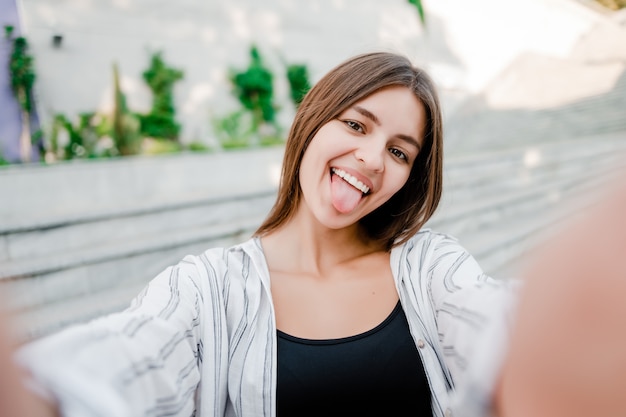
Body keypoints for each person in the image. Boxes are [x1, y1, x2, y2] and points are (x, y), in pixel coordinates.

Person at [10, 51, 518, 417]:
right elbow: (137, 353)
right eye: (358, 126)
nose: (372, 159)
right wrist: (43, 388)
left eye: (400, 152)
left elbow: (493, 320)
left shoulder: (429, 267)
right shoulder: (208, 287)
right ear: (314, 120)